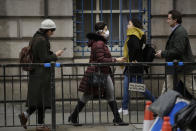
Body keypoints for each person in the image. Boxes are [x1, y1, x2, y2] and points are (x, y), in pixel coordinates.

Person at [68, 21, 128, 126]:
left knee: (109, 94)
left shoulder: (99, 42)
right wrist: (116, 60)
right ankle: (73, 116)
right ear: (100, 31)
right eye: (105, 29)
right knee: (89, 95)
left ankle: (117, 118)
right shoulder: (99, 43)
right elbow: (101, 59)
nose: (107, 31)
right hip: (99, 72)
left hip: (101, 72)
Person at [18, 19, 64, 131]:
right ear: (47, 30)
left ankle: (26, 115)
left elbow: (42, 55)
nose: (53, 33)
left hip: (38, 73)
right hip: (41, 74)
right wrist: (56, 55)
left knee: (39, 101)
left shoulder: (36, 38)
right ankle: (39, 125)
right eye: (52, 31)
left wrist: (52, 54)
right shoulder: (42, 40)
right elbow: (45, 59)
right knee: (41, 100)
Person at [155, 10, 196, 98]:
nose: (167, 20)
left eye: (169, 19)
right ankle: (161, 111)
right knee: (166, 89)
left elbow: (178, 50)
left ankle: (161, 110)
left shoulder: (180, 32)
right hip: (174, 66)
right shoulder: (177, 31)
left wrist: (163, 53)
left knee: (192, 89)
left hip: (182, 66)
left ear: (175, 20)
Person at [118, 18, 155, 115]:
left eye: (129, 24)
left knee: (139, 87)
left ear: (134, 26)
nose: (127, 26)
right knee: (127, 85)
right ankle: (124, 107)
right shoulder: (140, 34)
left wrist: (134, 60)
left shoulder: (134, 35)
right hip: (133, 65)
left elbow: (137, 49)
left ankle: (155, 102)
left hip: (134, 65)